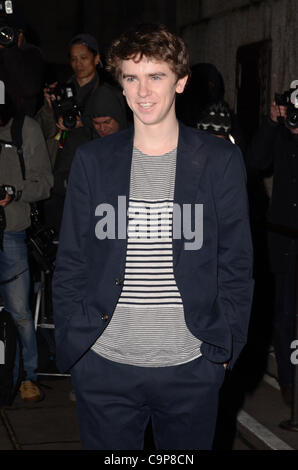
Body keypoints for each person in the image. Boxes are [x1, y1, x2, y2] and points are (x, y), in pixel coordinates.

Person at [52, 23, 254, 450]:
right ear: (120, 85)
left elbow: (236, 264)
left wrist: (222, 354)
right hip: (104, 365)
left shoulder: (219, 161)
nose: (143, 91)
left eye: (156, 76)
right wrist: (78, 349)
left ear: (180, 81)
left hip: (190, 367)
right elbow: (72, 259)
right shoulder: (93, 160)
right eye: (131, 77)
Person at [0, 94, 53, 402]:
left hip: (12, 232)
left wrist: (13, 191)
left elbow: (44, 183)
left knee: (19, 311)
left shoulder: (25, 129)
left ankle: (26, 377)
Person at [248, 98, 298, 406]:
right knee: (282, 313)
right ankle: (288, 380)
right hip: (281, 239)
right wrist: (271, 123)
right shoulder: (278, 134)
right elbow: (255, 162)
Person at [0, 9, 44, 116]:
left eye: (8, 32)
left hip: (19, 125)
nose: (5, 36)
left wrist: (9, 49)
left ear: (21, 34)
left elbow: (29, 88)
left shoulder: (32, 53)